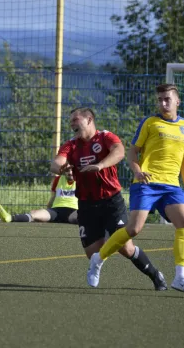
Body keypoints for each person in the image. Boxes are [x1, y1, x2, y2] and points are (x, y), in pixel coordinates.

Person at [50, 106, 167, 290]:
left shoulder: (105, 137)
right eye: (71, 120)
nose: (71, 123)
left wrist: (100, 165)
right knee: (92, 253)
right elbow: (56, 163)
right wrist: (61, 169)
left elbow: (119, 152)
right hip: (87, 205)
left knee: (126, 248)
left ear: (89, 120)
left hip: (111, 201)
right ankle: (104, 243)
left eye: (75, 120)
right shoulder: (71, 145)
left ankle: (155, 275)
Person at [89, 84, 184, 292]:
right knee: (133, 229)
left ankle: (180, 276)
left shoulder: (183, 127)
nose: (163, 103)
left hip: (172, 186)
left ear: (178, 101)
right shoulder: (150, 122)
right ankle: (98, 258)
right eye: (159, 99)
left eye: (167, 99)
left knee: (183, 224)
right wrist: (137, 171)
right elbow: (132, 153)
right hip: (146, 184)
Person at [0, 169, 78, 224]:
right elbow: (53, 197)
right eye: (67, 170)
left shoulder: (81, 179)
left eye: (72, 170)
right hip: (55, 211)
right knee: (34, 214)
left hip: (73, 211)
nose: (70, 172)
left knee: (85, 219)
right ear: (63, 171)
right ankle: (9, 218)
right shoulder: (58, 179)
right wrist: (46, 210)